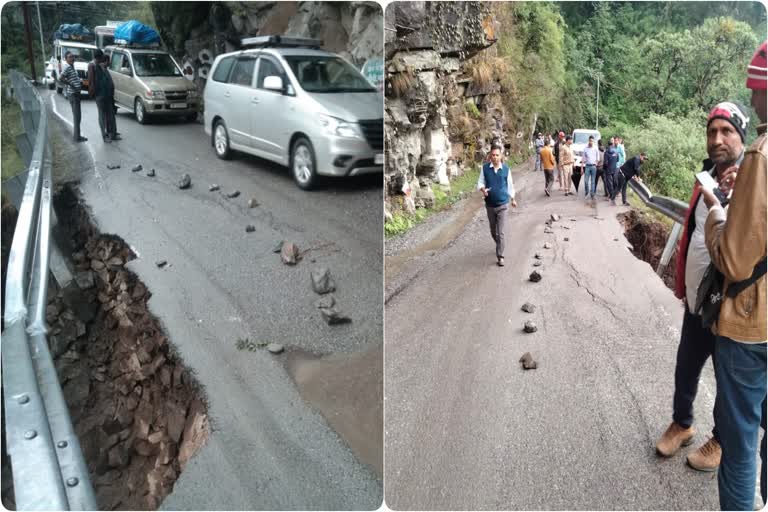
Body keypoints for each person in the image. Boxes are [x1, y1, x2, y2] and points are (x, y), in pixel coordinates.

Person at [657, 101, 749, 474]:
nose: (718, 139)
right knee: (686, 367)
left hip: (730, 307)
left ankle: (722, 441)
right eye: (712, 132)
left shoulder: (754, 182)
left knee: (727, 381)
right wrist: (682, 284)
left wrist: (740, 193)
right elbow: (694, 233)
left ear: (742, 136)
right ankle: (682, 423)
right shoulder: (706, 176)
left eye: (727, 131)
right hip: (698, 301)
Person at [700, 41, 767, 511]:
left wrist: (717, 214)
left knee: (740, 441)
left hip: (749, 322)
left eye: (755, 88)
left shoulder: (761, 157)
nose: (753, 96)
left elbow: (737, 260)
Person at [478, 144, 518, 267]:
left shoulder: (506, 169)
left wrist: (513, 199)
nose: (495, 157)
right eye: (493, 155)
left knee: (500, 231)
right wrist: (483, 189)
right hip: (490, 205)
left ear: (501, 156)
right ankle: (500, 244)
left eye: (497, 155)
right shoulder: (485, 168)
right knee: (492, 231)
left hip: (503, 204)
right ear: (490, 156)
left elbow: (510, 185)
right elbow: (480, 182)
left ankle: (500, 256)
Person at [88, 49, 120, 143]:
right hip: (99, 95)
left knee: (110, 114)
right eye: (101, 57)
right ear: (98, 57)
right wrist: (92, 93)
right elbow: (91, 81)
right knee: (102, 116)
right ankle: (104, 135)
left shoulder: (101, 66)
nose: (103, 59)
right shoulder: (92, 65)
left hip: (107, 95)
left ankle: (112, 134)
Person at [60, 51, 87, 142]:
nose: (72, 58)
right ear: (66, 59)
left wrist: (79, 81)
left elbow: (71, 77)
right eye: (70, 57)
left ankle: (78, 136)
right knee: (77, 116)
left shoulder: (72, 67)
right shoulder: (67, 67)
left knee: (78, 116)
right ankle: (77, 137)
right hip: (73, 94)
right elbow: (61, 78)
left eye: (72, 57)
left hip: (76, 93)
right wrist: (71, 84)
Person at [582, 136, 599, 201]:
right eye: (590, 141)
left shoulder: (595, 148)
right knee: (586, 181)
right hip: (587, 167)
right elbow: (583, 159)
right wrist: (581, 168)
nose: (591, 142)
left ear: (593, 141)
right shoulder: (585, 148)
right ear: (588, 141)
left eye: (592, 141)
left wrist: (596, 164)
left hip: (593, 166)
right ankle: (587, 193)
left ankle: (592, 194)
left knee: (593, 181)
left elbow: (598, 158)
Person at [603, 138, 619, 205]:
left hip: (608, 170)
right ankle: (615, 194)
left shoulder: (606, 153)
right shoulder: (616, 152)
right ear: (612, 145)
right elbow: (617, 160)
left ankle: (612, 196)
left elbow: (606, 163)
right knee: (615, 182)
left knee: (609, 183)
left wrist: (604, 167)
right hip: (614, 169)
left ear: (608, 145)